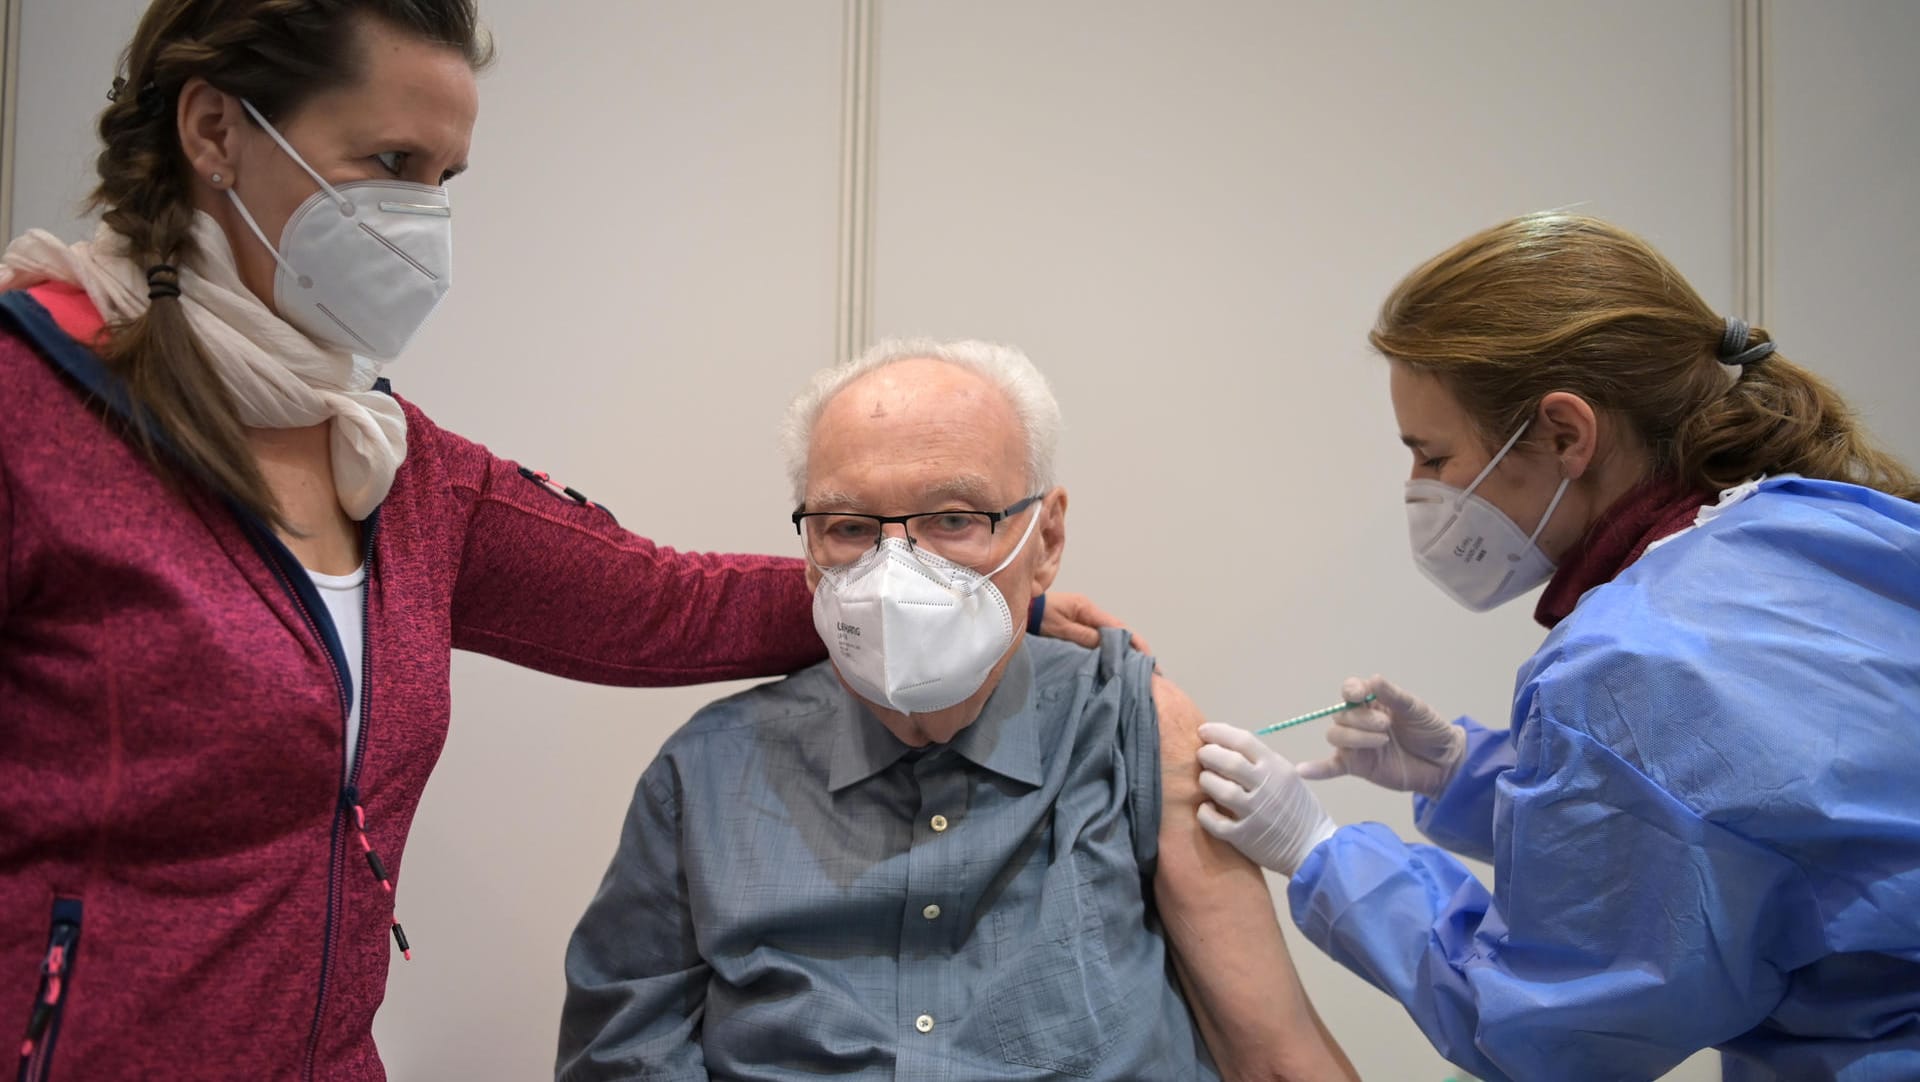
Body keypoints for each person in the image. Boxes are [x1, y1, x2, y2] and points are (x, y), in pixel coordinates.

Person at [0, 5, 1109, 1079]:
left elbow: (659, 605)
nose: (423, 215)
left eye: (447, 177)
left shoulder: (398, 467)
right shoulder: (33, 412)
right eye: (391, 160)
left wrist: (946, 589)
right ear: (215, 132)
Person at [1194, 213, 1920, 1081]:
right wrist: (1471, 772)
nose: (1418, 490)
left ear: (1567, 434)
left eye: (1432, 454)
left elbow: (1551, 1034)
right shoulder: (1835, 523)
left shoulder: (1628, 664)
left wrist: (1319, 852)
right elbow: (1750, 820)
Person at [556, 339, 1356, 1081]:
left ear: (1045, 541)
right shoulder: (706, 777)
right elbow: (620, 1060)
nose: (897, 569)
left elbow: (1276, 1058)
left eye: (954, 520)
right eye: (850, 527)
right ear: (808, 553)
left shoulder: (1126, 727)